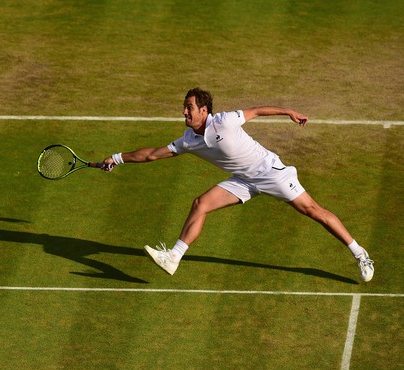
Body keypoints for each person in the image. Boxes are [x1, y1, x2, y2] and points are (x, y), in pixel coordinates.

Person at [101, 87, 374, 282]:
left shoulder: (225, 121)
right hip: (244, 181)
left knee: (313, 210)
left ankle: (360, 254)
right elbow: (151, 154)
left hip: (270, 172)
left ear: (204, 110)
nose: (184, 111)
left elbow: (256, 111)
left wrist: (289, 111)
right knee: (201, 203)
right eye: (185, 107)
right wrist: (117, 158)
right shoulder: (188, 139)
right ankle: (173, 257)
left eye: (189, 107)